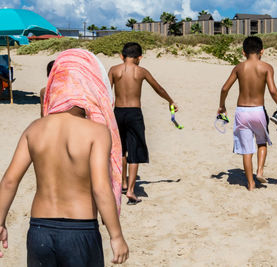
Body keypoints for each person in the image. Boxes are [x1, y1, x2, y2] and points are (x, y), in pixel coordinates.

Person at [0, 49, 129, 266]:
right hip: (80, 230)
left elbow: (9, 181)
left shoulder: (35, 129)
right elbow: (100, 187)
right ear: (89, 84)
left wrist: (1, 221)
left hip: (39, 231)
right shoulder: (96, 132)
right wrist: (116, 235)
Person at [108, 42, 178, 204]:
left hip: (117, 112)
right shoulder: (141, 71)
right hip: (134, 113)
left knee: (121, 150)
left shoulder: (114, 70)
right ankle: (131, 191)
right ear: (140, 57)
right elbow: (158, 88)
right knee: (135, 150)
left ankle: (123, 183)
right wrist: (170, 101)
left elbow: (105, 92)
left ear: (121, 56)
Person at [217, 36, 277, 191]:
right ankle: (260, 171)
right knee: (261, 142)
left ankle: (250, 184)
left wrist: (222, 106)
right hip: (258, 110)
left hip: (242, 111)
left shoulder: (238, 68)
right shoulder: (267, 67)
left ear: (243, 52)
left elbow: (224, 88)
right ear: (262, 51)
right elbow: (272, 90)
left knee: (246, 150)